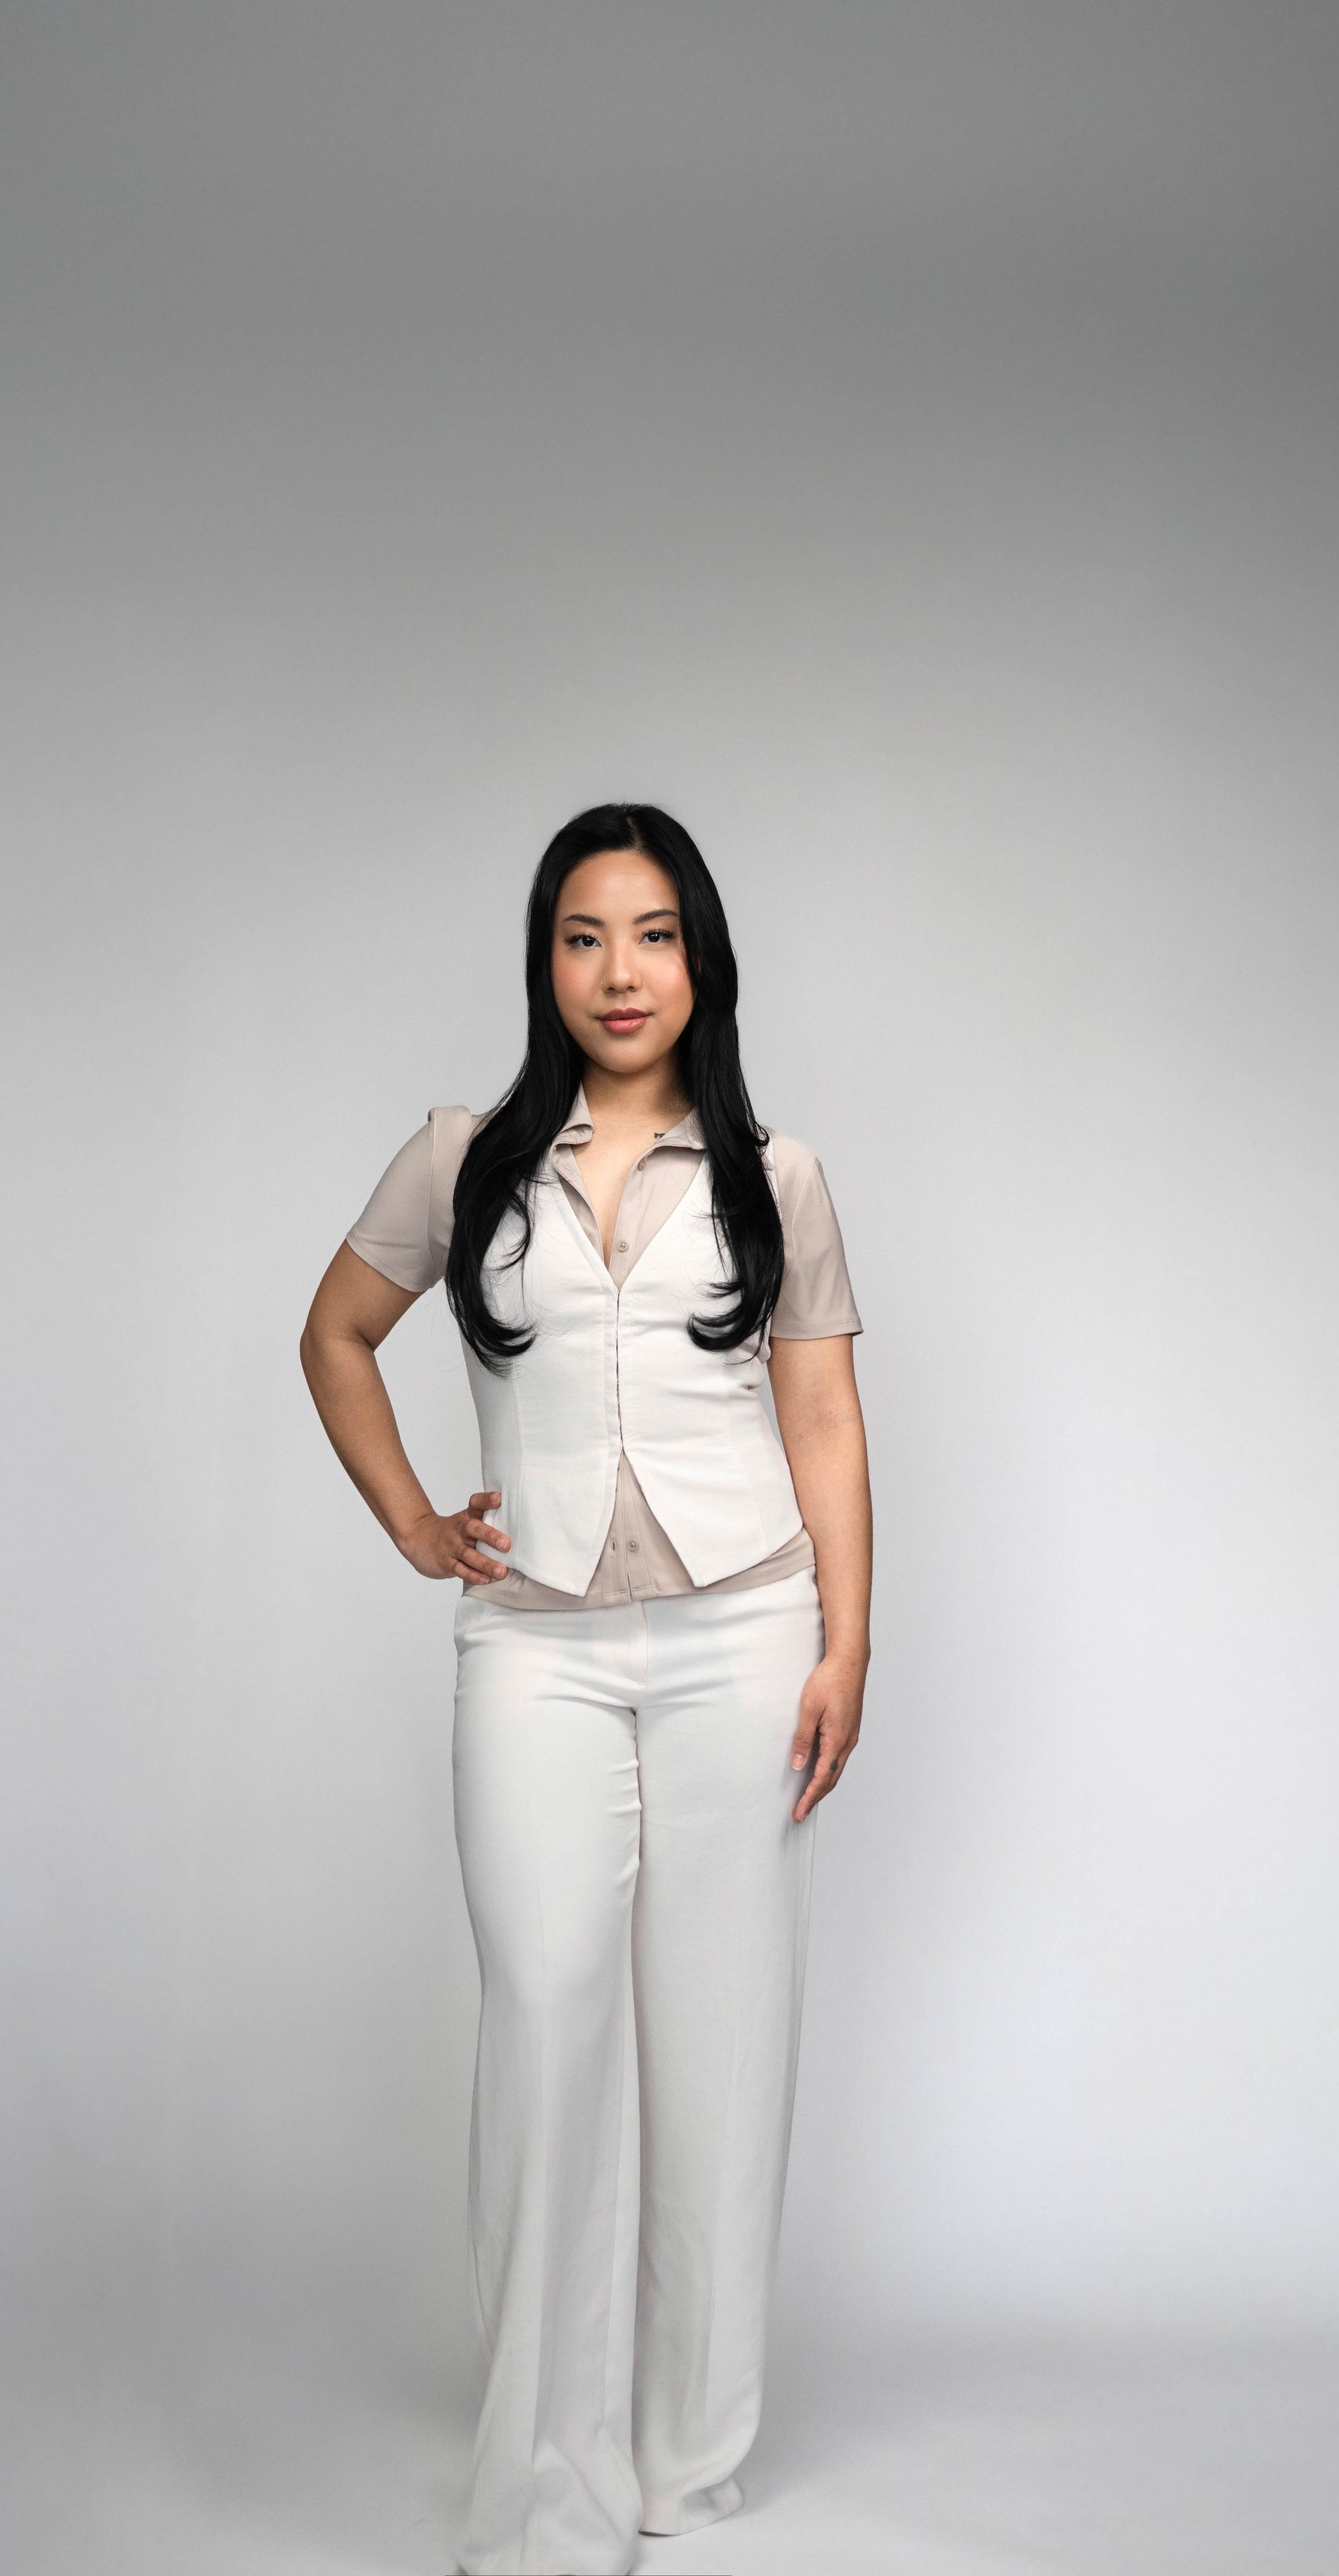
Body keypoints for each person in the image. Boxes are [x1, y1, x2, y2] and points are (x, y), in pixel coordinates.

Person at [299, 803, 872, 2576]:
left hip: (740, 1636)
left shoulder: (773, 1173)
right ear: (543, 962)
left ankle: (687, 2464)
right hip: (533, 1642)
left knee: (720, 2042)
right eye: (578, 935)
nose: (616, 971)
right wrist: (411, 1518)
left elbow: (823, 1416)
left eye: (648, 933)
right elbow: (332, 1329)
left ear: (699, 957)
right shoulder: (465, 1156)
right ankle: (543, 2490)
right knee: (544, 2025)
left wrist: (849, 1638)